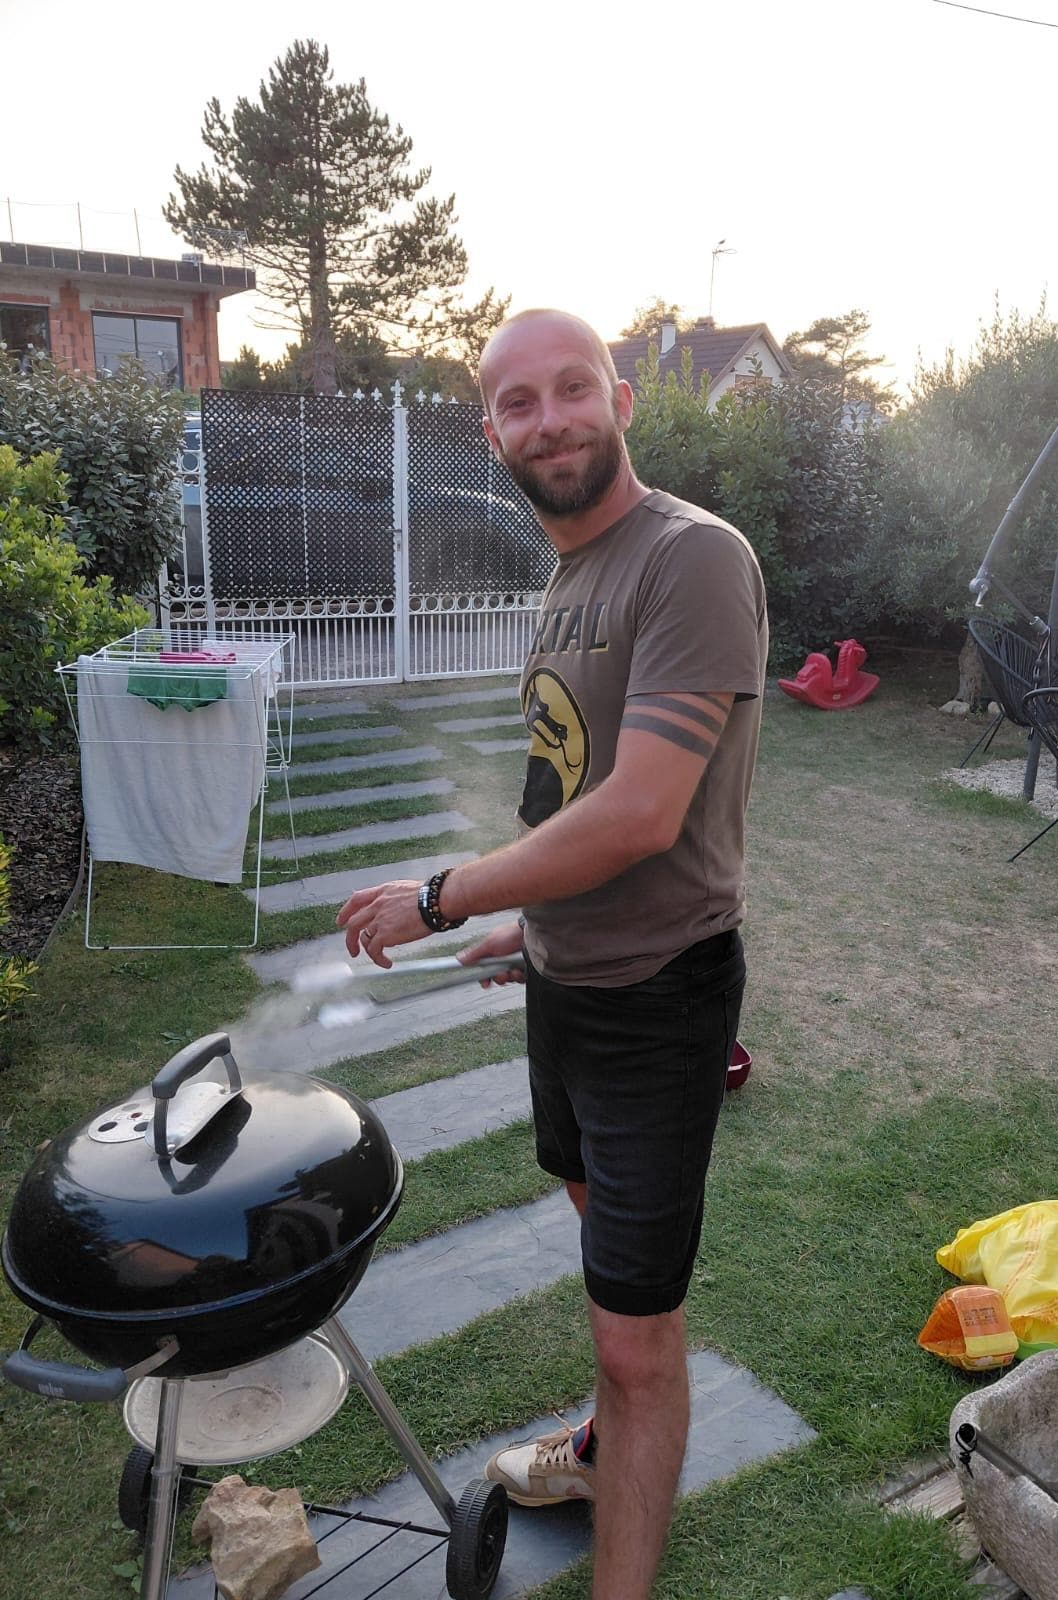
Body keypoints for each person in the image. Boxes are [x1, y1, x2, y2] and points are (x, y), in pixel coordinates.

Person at [337, 308, 767, 1600]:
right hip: (568, 984)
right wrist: (536, 919)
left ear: (621, 398)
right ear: (491, 433)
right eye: (518, 404)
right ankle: (601, 1448)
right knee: (603, 1266)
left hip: (657, 1001)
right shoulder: (569, 579)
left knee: (639, 1342)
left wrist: (446, 894)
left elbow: (645, 809)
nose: (550, 420)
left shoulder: (690, 559)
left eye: (572, 389)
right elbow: (570, 796)